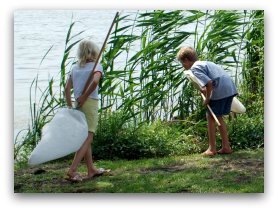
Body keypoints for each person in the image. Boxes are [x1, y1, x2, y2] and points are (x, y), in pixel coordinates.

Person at [176, 47, 237, 156]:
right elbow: (212, 81)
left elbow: (209, 83)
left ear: (186, 60)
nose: (183, 66)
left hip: (221, 89)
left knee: (210, 116)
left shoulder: (195, 68)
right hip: (230, 88)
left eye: (182, 63)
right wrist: (205, 91)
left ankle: (212, 149)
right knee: (218, 117)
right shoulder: (204, 63)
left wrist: (208, 98)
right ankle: (226, 147)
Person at [65, 40, 106, 181]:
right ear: (94, 52)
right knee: (88, 136)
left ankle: (91, 170)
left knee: (84, 137)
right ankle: (72, 170)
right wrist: (85, 96)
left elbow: (66, 89)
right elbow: (95, 82)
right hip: (90, 103)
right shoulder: (97, 66)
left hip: (79, 103)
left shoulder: (75, 68)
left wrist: (71, 107)